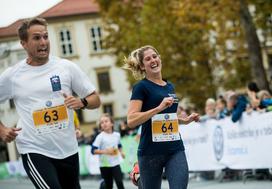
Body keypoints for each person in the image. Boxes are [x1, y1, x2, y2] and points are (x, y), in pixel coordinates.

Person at [0, 17, 101, 189]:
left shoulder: (66, 67)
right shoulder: (13, 75)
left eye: (46, 37)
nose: (43, 42)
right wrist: (2, 130)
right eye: (37, 38)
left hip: (68, 149)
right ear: (23, 43)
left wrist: (81, 102)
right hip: (34, 149)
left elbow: (95, 99)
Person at [123, 45, 199, 189]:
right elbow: (131, 120)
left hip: (174, 149)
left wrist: (185, 120)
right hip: (150, 152)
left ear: (159, 59)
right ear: (142, 66)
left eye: (155, 56)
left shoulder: (169, 86)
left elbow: (167, 118)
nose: (153, 60)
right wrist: (158, 108)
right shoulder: (141, 87)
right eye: (147, 59)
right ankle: (139, 179)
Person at [91, 113, 125, 189]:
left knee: (120, 183)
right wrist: (105, 152)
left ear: (112, 123)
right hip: (104, 165)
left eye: (106, 121)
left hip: (115, 163)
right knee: (109, 185)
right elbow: (93, 150)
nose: (104, 124)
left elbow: (119, 145)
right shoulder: (100, 137)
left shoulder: (117, 135)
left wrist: (121, 152)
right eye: (102, 122)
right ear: (100, 126)